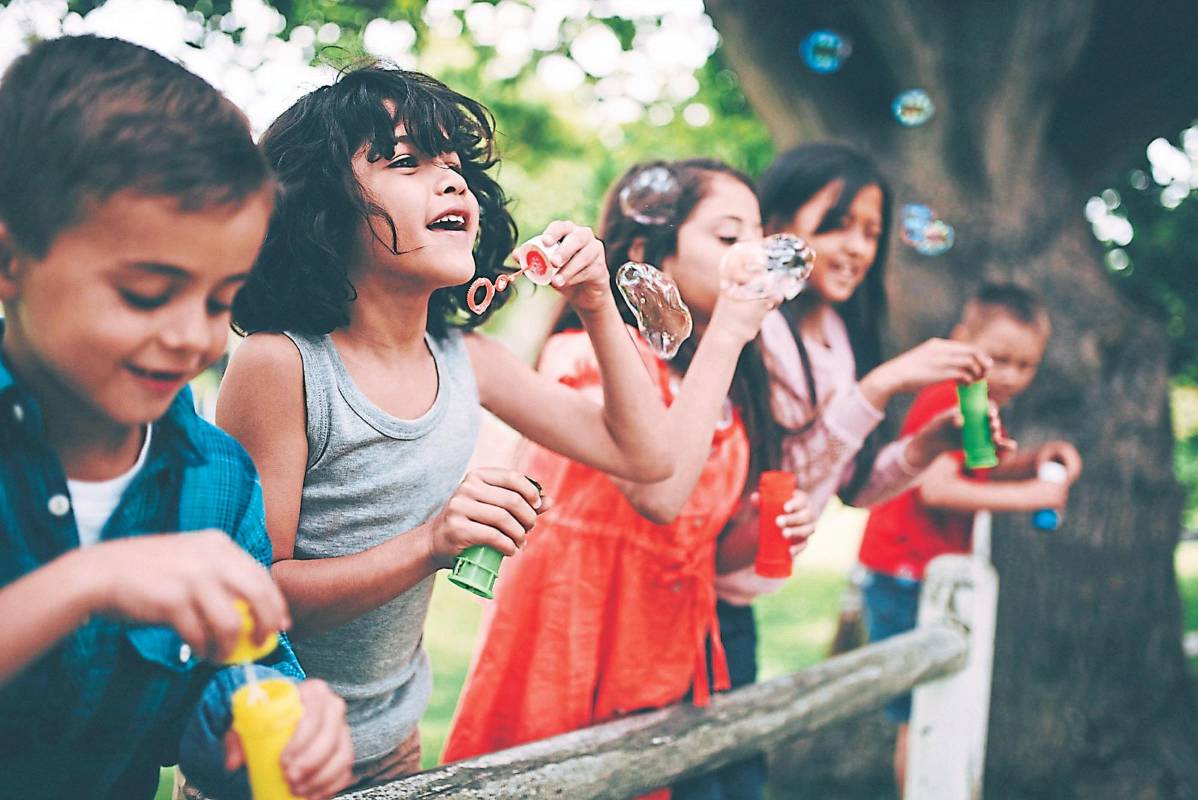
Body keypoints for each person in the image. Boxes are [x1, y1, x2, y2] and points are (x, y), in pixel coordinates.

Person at [216, 65, 673, 788]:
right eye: (405, 161)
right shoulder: (282, 366)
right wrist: (432, 542)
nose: (452, 182)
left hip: (396, 747)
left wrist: (594, 304)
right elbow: (253, 599)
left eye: (456, 167)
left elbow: (644, 456)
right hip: (275, 750)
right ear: (321, 209)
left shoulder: (468, 360)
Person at [0, 35, 351, 800]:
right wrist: (84, 584)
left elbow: (235, 678)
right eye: (147, 294)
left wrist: (279, 724)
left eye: (220, 300)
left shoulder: (219, 480)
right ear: (11, 261)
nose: (194, 335)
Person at [443, 160, 815, 800]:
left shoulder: (718, 387)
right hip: (570, 646)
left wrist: (761, 529)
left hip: (665, 661)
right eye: (729, 238)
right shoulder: (586, 359)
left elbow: (701, 542)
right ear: (646, 253)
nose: (752, 256)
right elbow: (660, 496)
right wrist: (729, 331)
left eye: (758, 236)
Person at [699, 142, 996, 800]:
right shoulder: (755, 329)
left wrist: (926, 444)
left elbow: (850, 484)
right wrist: (880, 388)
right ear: (773, 224)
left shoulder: (835, 333)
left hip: (738, 602)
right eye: (837, 223)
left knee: (737, 776)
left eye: (871, 232)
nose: (858, 248)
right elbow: (781, 475)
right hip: (698, 590)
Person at [858, 282, 1081, 794]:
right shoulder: (950, 397)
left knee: (942, 703)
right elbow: (938, 489)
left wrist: (1032, 464)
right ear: (962, 341)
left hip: (931, 573)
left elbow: (976, 471)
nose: (1011, 375)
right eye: (999, 358)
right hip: (904, 573)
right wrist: (1033, 498)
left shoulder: (979, 400)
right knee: (921, 714)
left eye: (1026, 365)